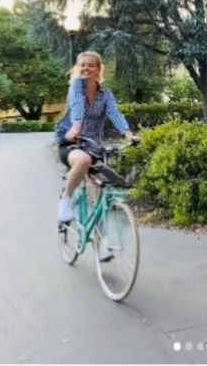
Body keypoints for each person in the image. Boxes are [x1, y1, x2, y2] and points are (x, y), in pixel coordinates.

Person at [54, 51, 139, 259]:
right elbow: (76, 106)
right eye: (82, 65)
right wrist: (75, 126)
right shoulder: (76, 87)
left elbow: (114, 113)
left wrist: (128, 134)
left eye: (90, 65)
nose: (86, 68)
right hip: (71, 141)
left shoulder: (105, 94)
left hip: (93, 146)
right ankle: (66, 199)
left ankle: (101, 247)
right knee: (81, 160)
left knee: (98, 200)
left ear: (98, 69)